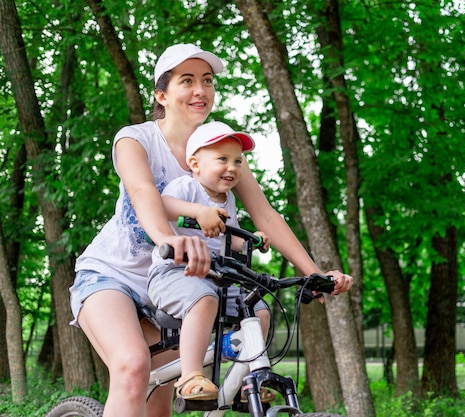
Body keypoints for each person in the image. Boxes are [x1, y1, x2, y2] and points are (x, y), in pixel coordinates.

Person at [69, 42, 353, 417]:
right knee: (133, 367)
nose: (200, 90)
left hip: (178, 286)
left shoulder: (224, 153)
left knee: (159, 403)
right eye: (186, 81)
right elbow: (143, 193)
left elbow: (265, 216)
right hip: (112, 277)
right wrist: (170, 239)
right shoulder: (135, 139)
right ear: (162, 95)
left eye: (207, 81)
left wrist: (313, 273)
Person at [147, 121, 272, 402]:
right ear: (195, 163)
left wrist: (251, 239)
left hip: (216, 279)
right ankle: (190, 376)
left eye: (238, 161)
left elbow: (231, 239)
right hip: (175, 273)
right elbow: (161, 206)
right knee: (204, 299)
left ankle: (245, 382)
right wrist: (200, 211)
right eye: (223, 159)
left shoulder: (228, 201)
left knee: (259, 310)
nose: (232, 167)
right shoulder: (187, 187)